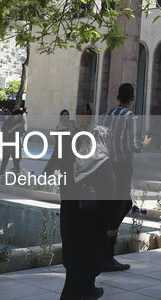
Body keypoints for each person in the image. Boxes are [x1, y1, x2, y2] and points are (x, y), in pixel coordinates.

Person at [59, 122, 115, 300]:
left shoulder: (74, 158)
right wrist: (111, 224)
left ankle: (89, 290)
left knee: (77, 264)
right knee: (81, 269)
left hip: (71, 219)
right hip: (91, 223)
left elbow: (63, 188)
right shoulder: (103, 162)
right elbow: (108, 195)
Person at [101, 83, 150, 273]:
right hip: (121, 167)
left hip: (106, 166)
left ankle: (105, 250)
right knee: (119, 206)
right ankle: (106, 256)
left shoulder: (107, 115)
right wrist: (144, 143)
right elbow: (133, 145)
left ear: (117, 97)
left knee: (113, 205)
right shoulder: (130, 117)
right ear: (132, 99)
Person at [0, 108, 26, 178]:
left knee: (16, 162)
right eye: (18, 116)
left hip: (16, 144)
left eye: (20, 116)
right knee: (5, 160)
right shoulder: (7, 123)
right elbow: (4, 134)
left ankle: (17, 177)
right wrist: (14, 127)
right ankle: (1, 175)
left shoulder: (19, 123)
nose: (19, 118)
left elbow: (21, 133)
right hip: (7, 143)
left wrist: (21, 127)